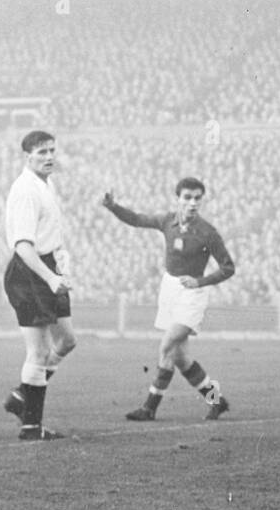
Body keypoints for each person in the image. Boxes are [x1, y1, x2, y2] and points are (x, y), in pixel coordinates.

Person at [100, 178, 236, 421]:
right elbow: (138, 219)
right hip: (170, 289)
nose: (192, 203)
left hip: (192, 293)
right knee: (181, 358)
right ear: (178, 198)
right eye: (187, 197)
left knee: (166, 346)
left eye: (197, 198)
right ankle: (217, 401)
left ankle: (149, 408)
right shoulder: (167, 221)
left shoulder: (208, 232)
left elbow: (228, 268)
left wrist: (199, 281)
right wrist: (113, 207)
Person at [1, 130, 76, 441]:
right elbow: (22, 246)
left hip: (48, 267)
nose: (49, 157)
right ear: (26, 156)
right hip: (29, 273)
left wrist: (62, 264)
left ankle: (21, 397)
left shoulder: (47, 183)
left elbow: (50, 234)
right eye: (42, 152)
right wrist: (50, 277)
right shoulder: (25, 190)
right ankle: (31, 427)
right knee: (39, 351)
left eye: (51, 151)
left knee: (67, 341)